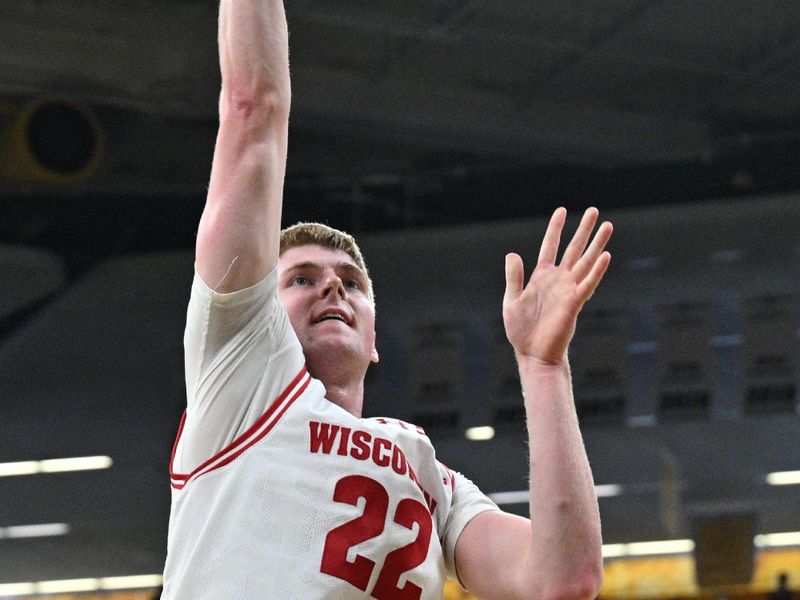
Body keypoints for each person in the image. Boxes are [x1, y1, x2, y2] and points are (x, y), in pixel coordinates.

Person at [161, 1, 611, 598]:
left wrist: (545, 367)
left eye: (352, 281)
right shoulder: (244, 380)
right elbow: (252, 111)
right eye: (300, 278)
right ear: (255, 315)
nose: (333, 286)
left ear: (375, 341)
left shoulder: (429, 473)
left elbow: (564, 581)